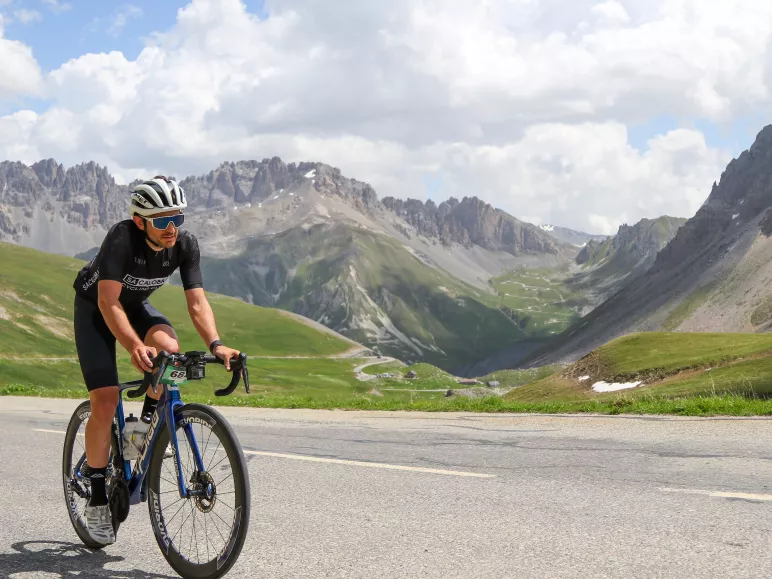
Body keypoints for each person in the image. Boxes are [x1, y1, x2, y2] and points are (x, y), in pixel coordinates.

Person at [72, 176, 240, 545]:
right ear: (140, 221)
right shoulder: (121, 238)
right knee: (106, 398)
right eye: (162, 220)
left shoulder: (184, 244)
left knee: (171, 353)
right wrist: (133, 346)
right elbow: (108, 302)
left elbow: (196, 302)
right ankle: (98, 499)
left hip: (133, 307)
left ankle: (141, 432)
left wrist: (216, 345)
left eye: (177, 218)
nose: (171, 228)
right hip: (97, 309)